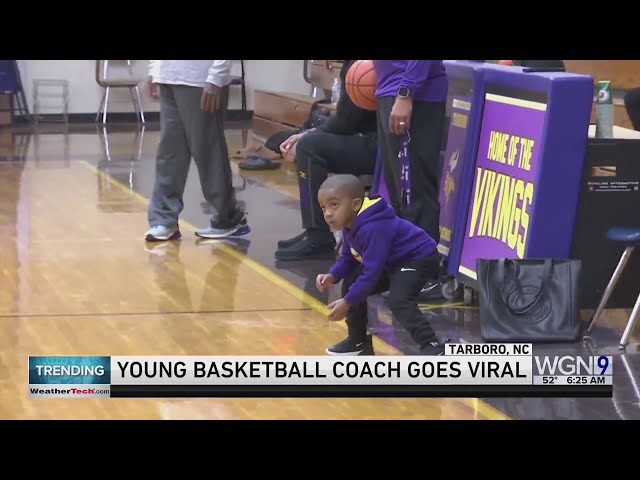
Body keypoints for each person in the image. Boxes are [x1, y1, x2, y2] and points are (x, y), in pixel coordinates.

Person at [315, 174, 446, 356]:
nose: (328, 213)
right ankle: (358, 341)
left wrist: (347, 302)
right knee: (352, 283)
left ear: (355, 204)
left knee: (399, 300)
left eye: (334, 205)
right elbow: (349, 256)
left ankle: (432, 345)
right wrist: (332, 275)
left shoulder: (373, 228)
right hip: (392, 261)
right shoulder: (350, 223)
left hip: (417, 258)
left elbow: (371, 273)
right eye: (323, 207)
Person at [275, 60, 378, 261]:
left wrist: (306, 135)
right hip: (373, 139)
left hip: (380, 145)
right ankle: (315, 231)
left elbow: (346, 122)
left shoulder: (360, 66)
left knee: (309, 147)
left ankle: (319, 236)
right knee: (309, 142)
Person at [145, 60, 249, 242]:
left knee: (208, 151)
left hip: (200, 79)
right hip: (168, 77)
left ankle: (229, 218)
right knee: (169, 152)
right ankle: (164, 220)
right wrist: (154, 70)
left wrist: (216, 76)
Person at [372, 60, 449, 298]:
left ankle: (425, 276)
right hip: (391, 91)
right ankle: (408, 272)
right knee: (401, 194)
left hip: (412, 96)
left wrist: (406, 91)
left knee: (414, 190)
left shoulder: (407, 92)